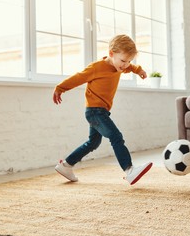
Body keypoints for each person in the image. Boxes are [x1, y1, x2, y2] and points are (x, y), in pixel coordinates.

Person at [53, 34, 153, 185]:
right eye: (123, 61)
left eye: (129, 61)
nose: (125, 65)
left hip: (101, 111)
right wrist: (61, 88)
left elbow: (129, 67)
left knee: (93, 143)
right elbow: (78, 77)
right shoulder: (97, 67)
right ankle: (129, 170)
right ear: (112, 54)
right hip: (95, 111)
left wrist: (138, 70)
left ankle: (66, 165)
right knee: (116, 136)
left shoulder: (119, 66)